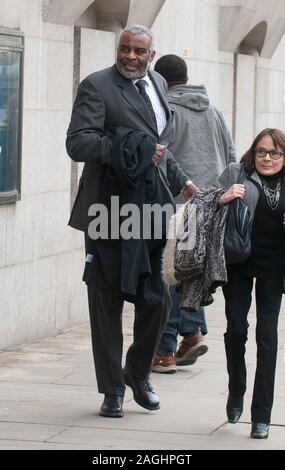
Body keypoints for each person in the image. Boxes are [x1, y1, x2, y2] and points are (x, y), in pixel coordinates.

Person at [65, 26, 196, 418]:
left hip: (153, 207)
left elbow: (160, 145)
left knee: (158, 296)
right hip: (110, 209)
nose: (130, 56)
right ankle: (112, 391)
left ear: (151, 55)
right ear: (117, 49)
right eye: (124, 49)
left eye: (139, 51)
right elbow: (78, 142)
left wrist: (183, 182)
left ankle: (137, 373)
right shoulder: (97, 86)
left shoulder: (156, 82)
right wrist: (130, 147)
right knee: (106, 300)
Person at [152, 54, 236, 373]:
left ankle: (165, 352)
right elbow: (230, 157)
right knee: (191, 273)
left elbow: (158, 157)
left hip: (177, 205)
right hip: (212, 204)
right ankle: (193, 334)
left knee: (170, 276)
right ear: (186, 78)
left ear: (161, 81)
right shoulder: (213, 111)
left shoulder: (167, 113)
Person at [218, 128, 285, 439]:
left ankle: (262, 416)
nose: (267, 158)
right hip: (239, 264)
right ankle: (236, 390)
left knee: (267, 336)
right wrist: (224, 197)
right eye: (262, 151)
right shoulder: (238, 174)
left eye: (275, 153)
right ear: (253, 152)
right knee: (236, 330)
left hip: (274, 269)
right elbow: (204, 205)